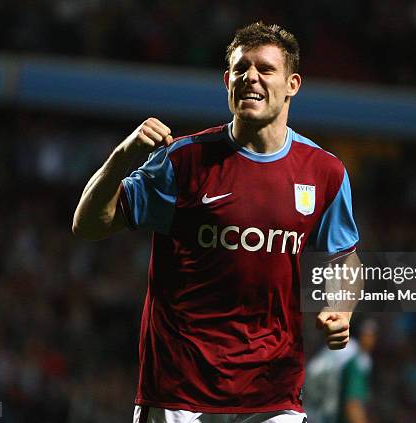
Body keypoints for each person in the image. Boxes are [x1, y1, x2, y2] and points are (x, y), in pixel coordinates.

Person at [73, 21, 361, 423]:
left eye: (265, 69)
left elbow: (343, 259)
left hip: (272, 392)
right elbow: (88, 224)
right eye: (241, 69)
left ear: (293, 84)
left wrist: (341, 308)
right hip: (180, 391)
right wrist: (122, 156)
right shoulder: (183, 161)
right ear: (227, 81)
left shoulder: (324, 172)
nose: (251, 78)